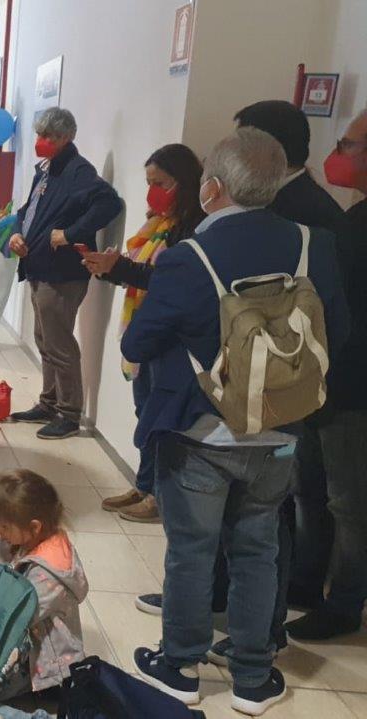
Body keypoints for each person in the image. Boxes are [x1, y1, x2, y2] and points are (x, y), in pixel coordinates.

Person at [124, 128, 349, 717]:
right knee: (258, 549)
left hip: (200, 431)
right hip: (281, 431)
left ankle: (180, 666)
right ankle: (252, 677)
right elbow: (338, 332)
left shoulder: (187, 256)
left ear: (214, 187)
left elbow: (138, 341)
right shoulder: (315, 245)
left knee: (192, 550)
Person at [236, 99, 351, 623]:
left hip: (301, 381)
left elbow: (329, 315)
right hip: (277, 378)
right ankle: (286, 590)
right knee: (292, 493)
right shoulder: (281, 202)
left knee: (307, 495)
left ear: (268, 149)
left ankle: (306, 593)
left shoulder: (306, 213)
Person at [82, 144, 205, 524]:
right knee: (144, 412)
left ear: (185, 182)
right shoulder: (158, 224)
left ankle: (157, 496)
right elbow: (141, 274)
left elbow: (167, 281)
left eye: (161, 183)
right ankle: (143, 484)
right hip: (146, 331)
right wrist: (111, 268)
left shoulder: (196, 228)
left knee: (159, 420)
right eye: (149, 182)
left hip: (172, 339)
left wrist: (119, 267)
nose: (153, 191)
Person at [282, 107, 367, 640]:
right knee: (308, 489)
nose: (336, 155)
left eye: (348, 144)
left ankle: (346, 602)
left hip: (354, 389)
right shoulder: (353, 217)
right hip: (321, 380)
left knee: (350, 502)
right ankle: (306, 582)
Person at [7, 107, 123, 441]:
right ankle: (49, 402)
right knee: (44, 339)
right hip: (38, 266)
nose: (41, 141)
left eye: (50, 137)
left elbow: (110, 204)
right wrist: (17, 232)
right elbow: (27, 210)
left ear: (67, 138)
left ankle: (69, 414)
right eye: (39, 134)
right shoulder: (46, 170)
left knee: (59, 343)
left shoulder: (78, 171)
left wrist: (71, 234)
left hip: (62, 273)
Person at [0, 469, 89, 699]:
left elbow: (9, 615)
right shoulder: (21, 540)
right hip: (20, 636)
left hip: (42, 664)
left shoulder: (48, 574)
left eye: (4, 526)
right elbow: (0, 579)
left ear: (34, 527)